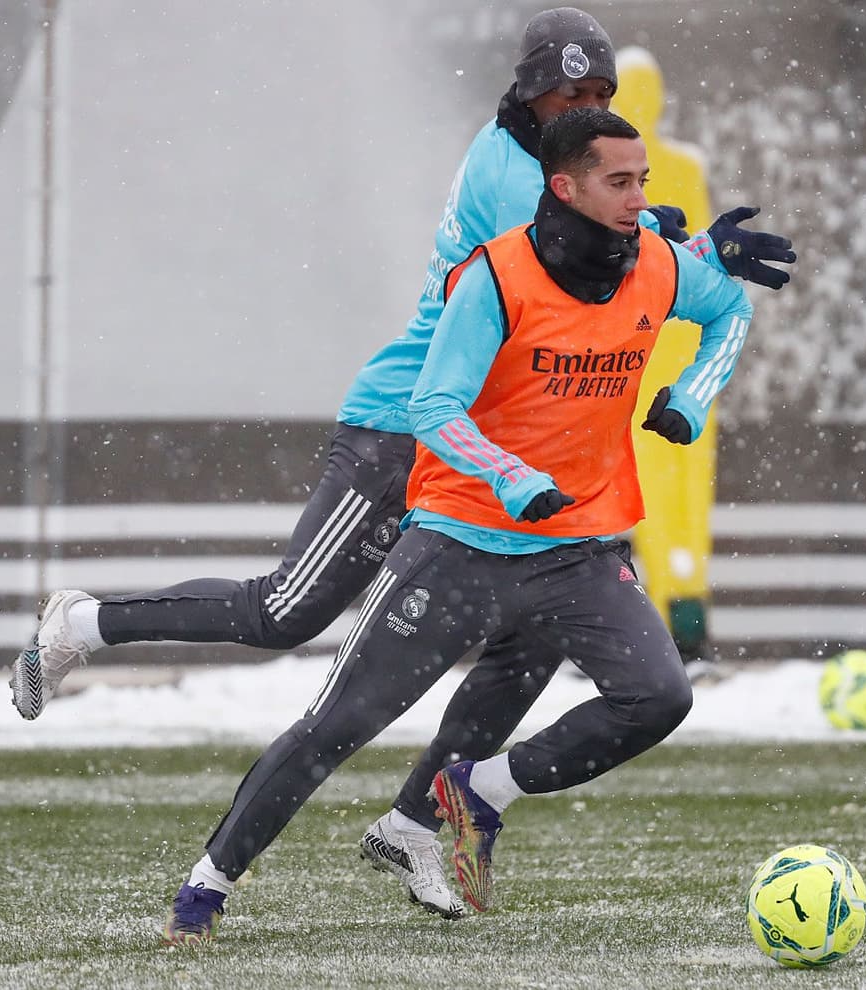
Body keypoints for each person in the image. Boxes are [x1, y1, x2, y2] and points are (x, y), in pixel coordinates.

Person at [10, 5, 791, 923]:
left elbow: (629, 242)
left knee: (527, 638)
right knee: (286, 613)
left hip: (501, 449)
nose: (580, 105)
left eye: (596, 93)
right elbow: (599, 249)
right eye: (566, 91)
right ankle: (88, 625)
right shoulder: (514, 177)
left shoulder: (557, 162)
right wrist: (694, 246)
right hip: (404, 427)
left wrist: (690, 261)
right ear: (528, 92)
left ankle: (424, 819)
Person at [161, 104, 754, 943]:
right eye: (618, 183)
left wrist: (688, 397)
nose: (637, 200)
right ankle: (206, 886)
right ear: (565, 186)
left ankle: (475, 793)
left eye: (641, 182)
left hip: (577, 552)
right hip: (457, 546)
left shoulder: (656, 264)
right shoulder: (496, 277)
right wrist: (511, 477)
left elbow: (732, 311)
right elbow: (433, 405)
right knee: (338, 727)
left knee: (659, 696)